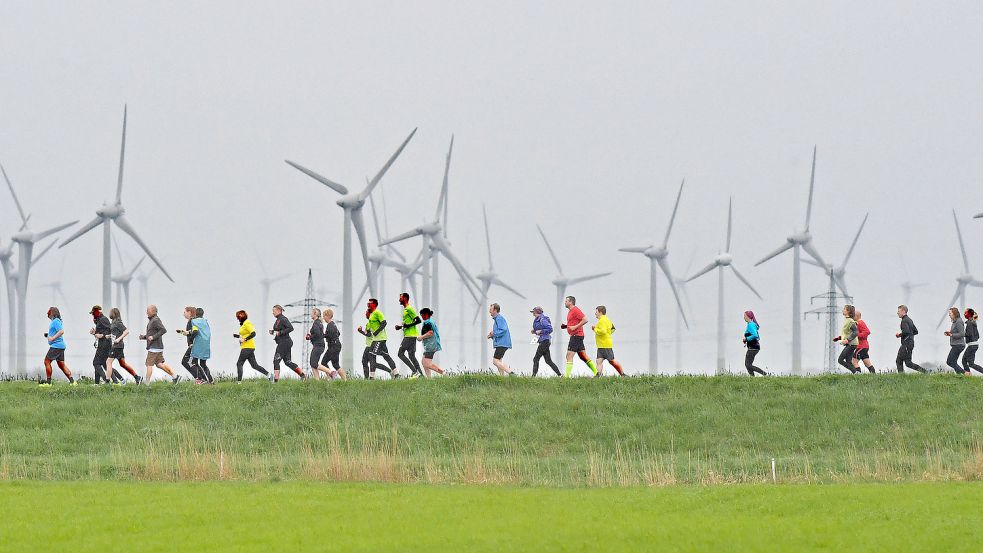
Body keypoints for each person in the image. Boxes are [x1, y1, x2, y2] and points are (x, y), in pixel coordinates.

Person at [358, 298, 398, 379]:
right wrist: (361, 331)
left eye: (370, 303)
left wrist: (376, 332)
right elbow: (368, 333)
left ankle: (371, 377)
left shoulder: (377, 313)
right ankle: (396, 374)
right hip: (375, 341)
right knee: (385, 357)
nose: (365, 313)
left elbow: (384, 323)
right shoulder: (370, 321)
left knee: (372, 357)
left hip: (378, 340)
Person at [140, 304, 179, 383]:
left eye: (148, 310)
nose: (146, 312)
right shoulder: (152, 320)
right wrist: (144, 337)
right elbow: (151, 334)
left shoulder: (156, 320)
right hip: (157, 347)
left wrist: (153, 337)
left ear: (153, 311)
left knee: (149, 365)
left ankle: (146, 384)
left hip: (154, 348)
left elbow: (163, 330)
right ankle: (175, 377)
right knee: (159, 364)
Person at [561, 296, 597, 377]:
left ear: (571, 302)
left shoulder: (575, 310)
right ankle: (597, 373)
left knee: (569, 355)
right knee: (583, 356)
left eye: (566, 301)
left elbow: (585, 319)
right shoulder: (570, 311)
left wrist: (575, 327)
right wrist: (566, 326)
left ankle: (566, 377)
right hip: (577, 335)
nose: (565, 302)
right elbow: (574, 322)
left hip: (576, 336)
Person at [40, 307, 75, 386]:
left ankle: (48, 383)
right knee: (61, 365)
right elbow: (56, 332)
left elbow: (61, 331)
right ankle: (73, 382)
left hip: (56, 346)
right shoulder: (55, 321)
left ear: (52, 313)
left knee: (47, 361)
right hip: (60, 346)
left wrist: (52, 338)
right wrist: (48, 335)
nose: (47, 313)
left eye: (49, 311)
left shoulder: (55, 321)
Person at [233, 310, 272, 382]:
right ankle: (269, 375)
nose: (237, 318)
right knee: (254, 365)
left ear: (242, 317)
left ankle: (239, 382)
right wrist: (237, 336)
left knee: (239, 363)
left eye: (238, 317)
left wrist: (245, 339)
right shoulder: (244, 324)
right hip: (249, 347)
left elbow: (253, 333)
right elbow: (245, 334)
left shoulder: (247, 323)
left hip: (247, 348)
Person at [107, 307, 142, 384]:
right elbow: (115, 333)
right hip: (118, 346)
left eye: (110, 312)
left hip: (117, 346)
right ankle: (137, 377)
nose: (109, 313)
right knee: (123, 364)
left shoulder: (118, 323)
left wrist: (118, 339)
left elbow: (126, 331)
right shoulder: (113, 322)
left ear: (114, 313)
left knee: (108, 362)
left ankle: (107, 382)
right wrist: (109, 336)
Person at [270, 304, 305, 381]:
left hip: (284, 343)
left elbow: (291, 328)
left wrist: (280, 332)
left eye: (274, 311)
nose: (272, 313)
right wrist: (274, 332)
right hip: (284, 342)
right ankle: (303, 376)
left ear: (279, 311)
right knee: (288, 362)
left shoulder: (283, 319)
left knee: (276, 361)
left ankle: (275, 381)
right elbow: (279, 331)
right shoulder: (278, 319)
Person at [394, 293, 423, 378]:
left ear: (405, 298)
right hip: (411, 335)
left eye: (401, 298)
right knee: (411, 356)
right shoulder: (406, 309)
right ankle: (421, 376)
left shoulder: (409, 309)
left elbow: (418, 320)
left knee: (400, 353)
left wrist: (408, 325)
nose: (399, 299)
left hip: (409, 336)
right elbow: (408, 323)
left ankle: (414, 371)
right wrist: (401, 327)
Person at [592, 306, 625, 376]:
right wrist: (608, 334)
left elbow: (603, 331)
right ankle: (598, 375)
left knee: (612, 361)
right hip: (602, 345)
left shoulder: (602, 321)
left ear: (600, 312)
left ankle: (622, 374)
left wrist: (595, 329)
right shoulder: (607, 320)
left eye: (596, 312)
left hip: (604, 345)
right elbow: (613, 329)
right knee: (599, 361)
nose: (595, 313)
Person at [530, 306, 561, 377]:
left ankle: (533, 377)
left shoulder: (542, 319)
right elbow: (539, 330)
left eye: (534, 312)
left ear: (537, 312)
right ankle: (560, 375)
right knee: (548, 361)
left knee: (535, 359)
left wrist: (540, 331)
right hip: (543, 341)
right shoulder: (537, 319)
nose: (533, 314)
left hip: (545, 341)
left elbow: (550, 329)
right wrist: (534, 331)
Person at [895, 305, 926, 373]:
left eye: (898, 311)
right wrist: (910, 336)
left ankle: (901, 378)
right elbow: (916, 331)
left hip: (906, 344)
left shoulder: (904, 320)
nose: (897, 313)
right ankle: (925, 372)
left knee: (899, 361)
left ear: (903, 311)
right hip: (910, 343)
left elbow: (906, 331)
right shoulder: (909, 320)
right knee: (908, 363)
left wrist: (899, 335)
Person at [176, 306, 204, 382]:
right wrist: (182, 332)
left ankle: (199, 379)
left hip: (194, 345)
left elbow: (195, 332)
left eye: (184, 312)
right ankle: (203, 379)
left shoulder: (193, 321)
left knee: (186, 361)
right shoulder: (192, 321)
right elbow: (190, 332)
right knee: (194, 363)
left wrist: (191, 343)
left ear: (189, 312)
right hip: (196, 345)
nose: (183, 314)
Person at [317, 309, 346, 380]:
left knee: (324, 362)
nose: (323, 318)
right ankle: (344, 380)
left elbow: (329, 335)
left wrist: (322, 335)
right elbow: (338, 333)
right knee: (335, 364)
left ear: (328, 316)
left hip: (333, 346)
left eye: (324, 316)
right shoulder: (333, 324)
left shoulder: (330, 325)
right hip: (335, 345)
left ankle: (331, 378)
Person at [88, 305, 113, 384]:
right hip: (102, 344)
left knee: (96, 363)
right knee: (101, 364)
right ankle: (97, 383)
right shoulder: (100, 320)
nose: (92, 316)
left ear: (96, 312)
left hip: (104, 345)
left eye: (93, 314)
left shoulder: (103, 319)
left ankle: (106, 381)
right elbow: (101, 331)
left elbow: (109, 331)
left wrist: (98, 334)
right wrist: (94, 332)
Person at [487, 303, 513, 376]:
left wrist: (494, 333)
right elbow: (500, 332)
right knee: (499, 361)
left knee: (495, 361)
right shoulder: (497, 319)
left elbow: (503, 330)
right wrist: (492, 335)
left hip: (502, 343)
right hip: (502, 343)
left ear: (495, 310)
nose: (489, 311)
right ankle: (502, 378)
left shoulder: (499, 318)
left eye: (491, 309)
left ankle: (511, 373)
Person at [417, 307, 445, 377]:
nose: (421, 317)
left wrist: (421, 337)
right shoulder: (430, 321)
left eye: (422, 315)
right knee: (424, 362)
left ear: (426, 314)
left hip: (431, 346)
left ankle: (443, 373)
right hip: (431, 345)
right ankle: (429, 379)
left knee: (427, 364)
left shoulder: (428, 323)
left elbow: (430, 333)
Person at [189, 307, 213, 383]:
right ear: (203, 314)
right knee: (203, 364)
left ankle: (201, 379)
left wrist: (191, 339)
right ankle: (211, 380)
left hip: (198, 344)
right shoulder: (205, 321)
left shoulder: (194, 321)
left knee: (192, 362)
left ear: (196, 314)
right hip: (206, 344)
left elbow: (195, 331)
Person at [833, 304, 860, 374]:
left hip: (851, 344)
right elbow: (847, 333)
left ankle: (855, 372)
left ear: (848, 311)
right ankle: (857, 373)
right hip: (851, 344)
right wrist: (838, 338)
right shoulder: (847, 320)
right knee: (848, 361)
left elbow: (856, 332)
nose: (843, 310)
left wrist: (847, 340)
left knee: (840, 360)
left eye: (844, 309)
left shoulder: (850, 321)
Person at [742, 310, 766, 376]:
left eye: (744, 316)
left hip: (753, 347)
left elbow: (755, 335)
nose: (744, 317)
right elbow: (757, 337)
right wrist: (746, 340)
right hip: (755, 347)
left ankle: (765, 374)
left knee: (748, 365)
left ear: (748, 316)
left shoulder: (750, 325)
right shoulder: (753, 325)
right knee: (748, 365)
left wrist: (746, 338)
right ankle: (753, 378)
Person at [306, 307, 326, 380]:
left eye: (312, 313)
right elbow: (321, 334)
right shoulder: (319, 322)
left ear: (315, 314)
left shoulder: (316, 323)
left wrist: (310, 337)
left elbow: (317, 334)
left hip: (318, 346)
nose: (310, 314)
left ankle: (331, 372)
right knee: (313, 364)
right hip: (319, 345)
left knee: (313, 363)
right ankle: (317, 381)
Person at [944, 307, 966, 374]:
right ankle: (960, 376)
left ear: (954, 313)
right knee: (952, 362)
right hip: (956, 345)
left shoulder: (958, 322)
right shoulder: (955, 321)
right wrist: (950, 333)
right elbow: (956, 332)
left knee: (950, 361)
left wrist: (951, 335)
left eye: (950, 313)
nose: (949, 314)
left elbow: (962, 334)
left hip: (959, 345)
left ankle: (964, 373)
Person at [853, 309, 875, 374]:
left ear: (856, 316)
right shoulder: (857, 323)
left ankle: (858, 376)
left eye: (852, 316)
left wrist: (857, 335)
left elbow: (867, 332)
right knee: (867, 363)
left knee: (853, 361)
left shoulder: (860, 323)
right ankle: (874, 376)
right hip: (864, 346)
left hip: (861, 347)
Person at [963, 308, 983, 375]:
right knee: (970, 363)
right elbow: (978, 336)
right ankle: (968, 374)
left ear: (969, 314)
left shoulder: (969, 323)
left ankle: (967, 374)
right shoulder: (973, 322)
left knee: (964, 361)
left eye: (965, 313)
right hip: (974, 345)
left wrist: (961, 334)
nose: (964, 314)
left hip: (972, 345)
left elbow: (969, 334)